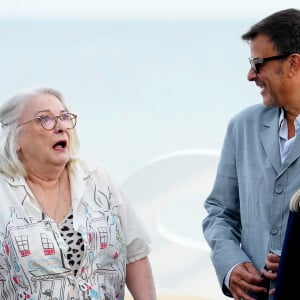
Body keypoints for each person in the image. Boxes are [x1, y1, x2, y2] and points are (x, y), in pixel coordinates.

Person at [0, 86, 157, 300]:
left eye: (64, 117)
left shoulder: (98, 179)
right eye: (45, 119)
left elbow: (136, 255)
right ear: (15, 138)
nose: (61, 127)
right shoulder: (4, 192)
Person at [202, 8, 300, 300]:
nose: (250, 75)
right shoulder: (242, 126)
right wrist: (231, 266)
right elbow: (219, 212)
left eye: (258, 63)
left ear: (293, 63)